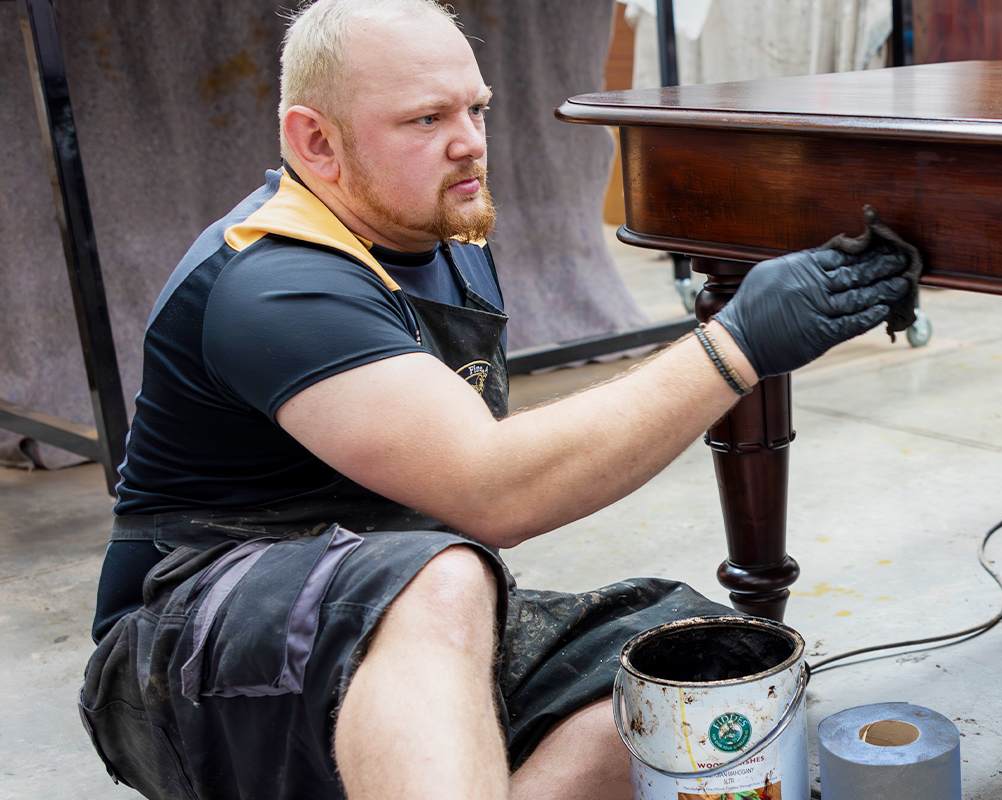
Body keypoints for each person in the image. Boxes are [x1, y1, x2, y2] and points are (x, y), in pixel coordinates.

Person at [76, 1, 912, 798]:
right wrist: (735, 347)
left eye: (476, 110)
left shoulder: (443, 235)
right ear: (316, 141)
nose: (469, 144)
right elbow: (493, 490)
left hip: (380, 615)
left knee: (707, 674)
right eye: (425, 120)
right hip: (181, 654)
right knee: (442, 576)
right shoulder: (275, 282)